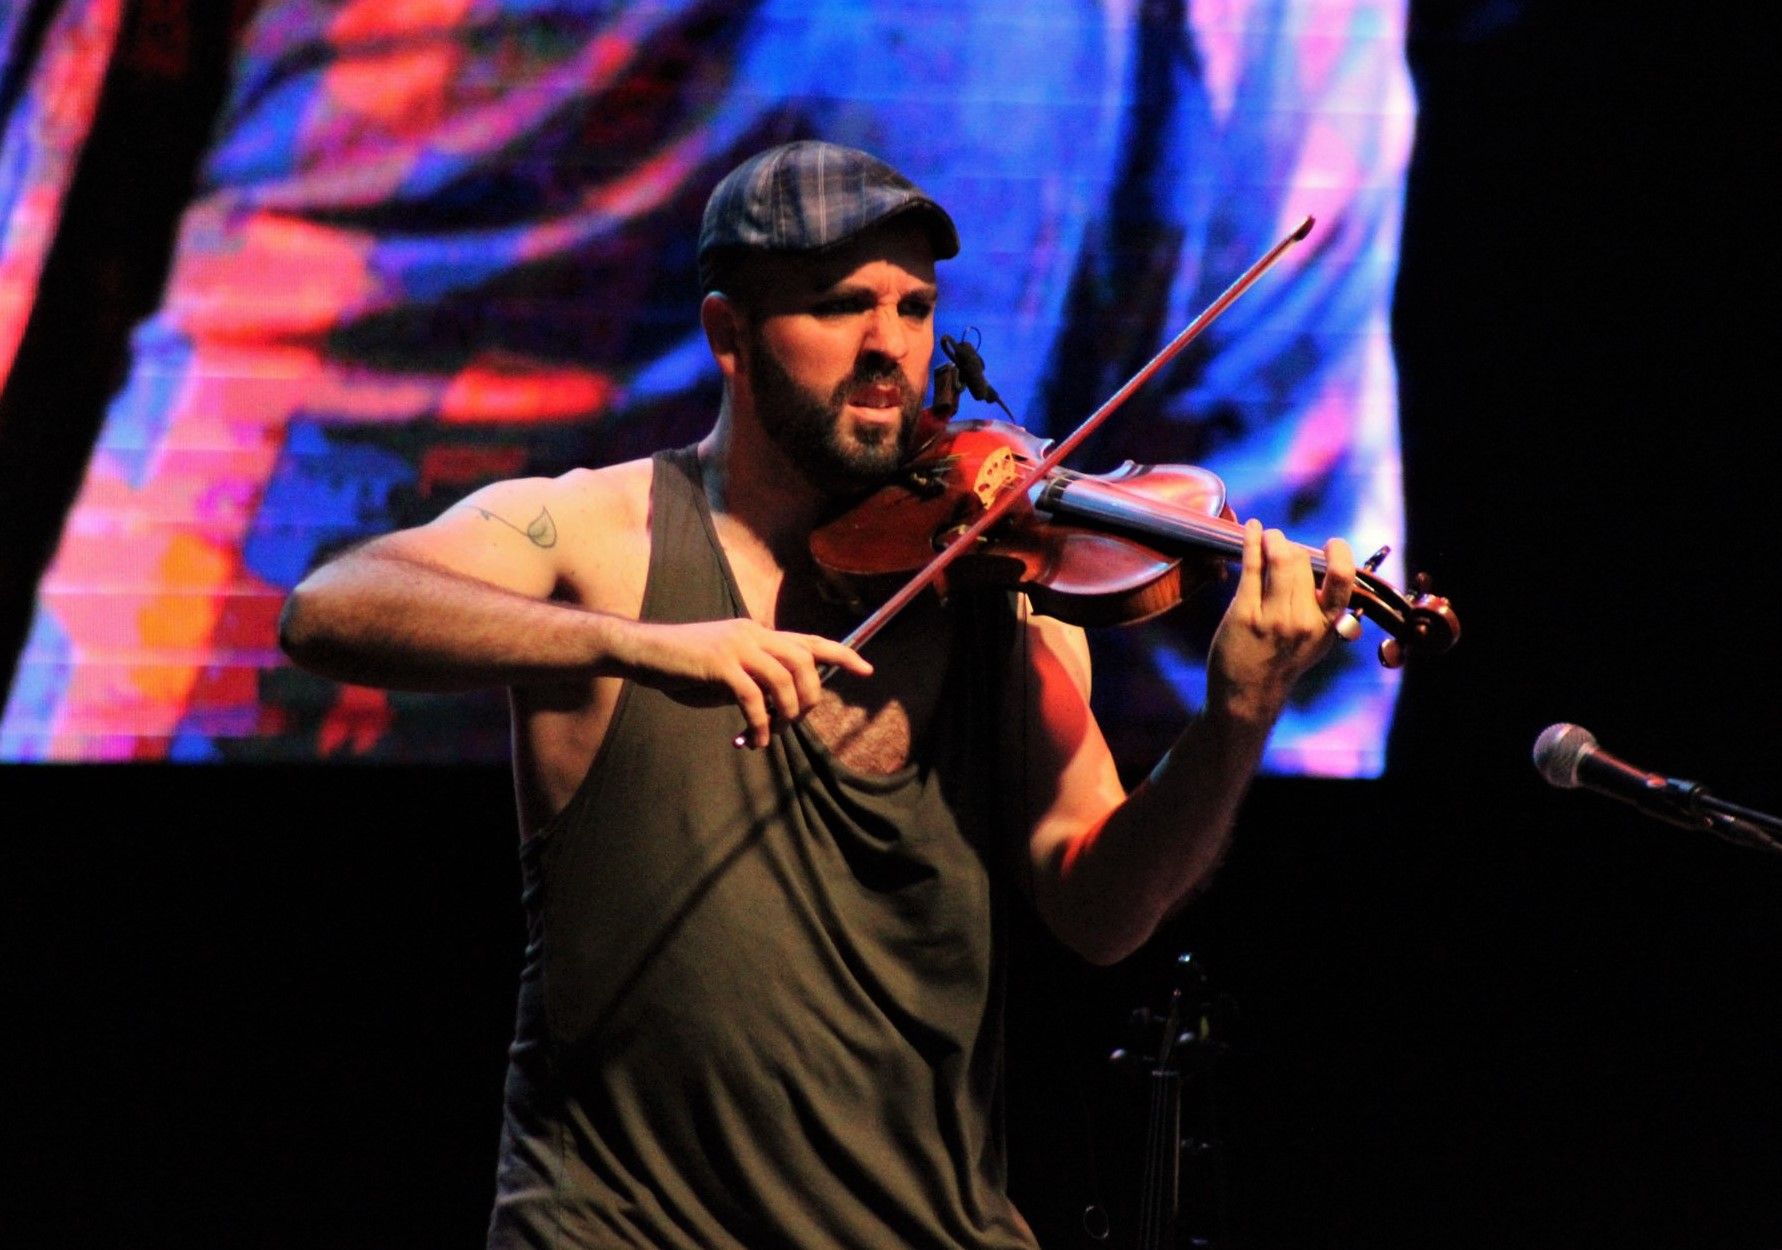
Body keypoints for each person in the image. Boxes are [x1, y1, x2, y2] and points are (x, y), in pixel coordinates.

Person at [277, 139, 1356, 1249]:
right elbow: (332, 605)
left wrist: (1236, 718)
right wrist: (637, 646)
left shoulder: (1007, 596)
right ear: (729, 337)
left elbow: (1104, 910)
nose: (888, 344)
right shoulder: (605, 534)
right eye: (840, 305)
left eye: (913, 305)